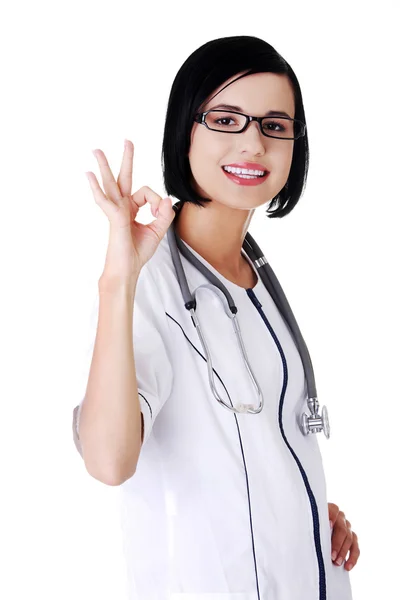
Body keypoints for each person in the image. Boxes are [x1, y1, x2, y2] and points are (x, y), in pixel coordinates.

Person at [72, 36, 355, 600]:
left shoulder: (258, 277)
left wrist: (304, 505)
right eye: (227, 119)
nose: (254, 143)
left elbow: (249, 444)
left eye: (276, 125)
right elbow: (108, 461)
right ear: (186, 129)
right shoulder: (148, 282)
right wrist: (117, 281)